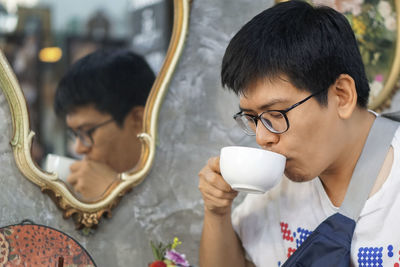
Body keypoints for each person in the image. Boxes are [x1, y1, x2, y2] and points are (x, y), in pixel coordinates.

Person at [198, 1, 400, 266]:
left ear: (342, 96)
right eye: (252, 118)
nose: (262, 138)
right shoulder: (278, 187)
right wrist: (217, 211)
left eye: (276, 114)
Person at [54, 49, 155, 202]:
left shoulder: (186, 179)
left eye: (87, 132)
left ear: (138, 120)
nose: (78, 148)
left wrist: (112, 194)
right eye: (75, 134)